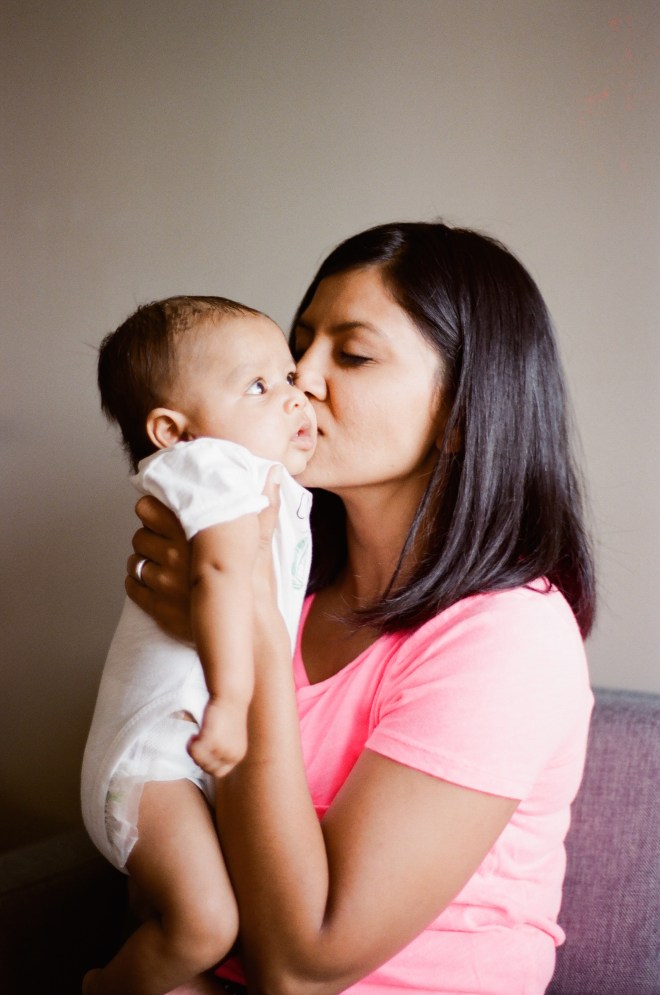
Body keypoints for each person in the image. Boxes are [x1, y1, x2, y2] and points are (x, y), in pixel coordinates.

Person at [125, 222, 596, 995]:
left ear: (457, 414)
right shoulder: (285, 589)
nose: (298, 378)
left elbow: (302, 965)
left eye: (351, 354)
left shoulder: (510, 637)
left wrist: (250, 645)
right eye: (298, 344)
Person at [81, 295, 317, 995]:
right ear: (172, 431)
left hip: (182, 762)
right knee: (208, 924)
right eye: (259, 386)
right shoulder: (212, 467)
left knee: (217, 926)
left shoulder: (269, 478)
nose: (293, 398)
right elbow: (219, 574)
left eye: (289, 376)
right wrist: (232, 697)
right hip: (151, 760)